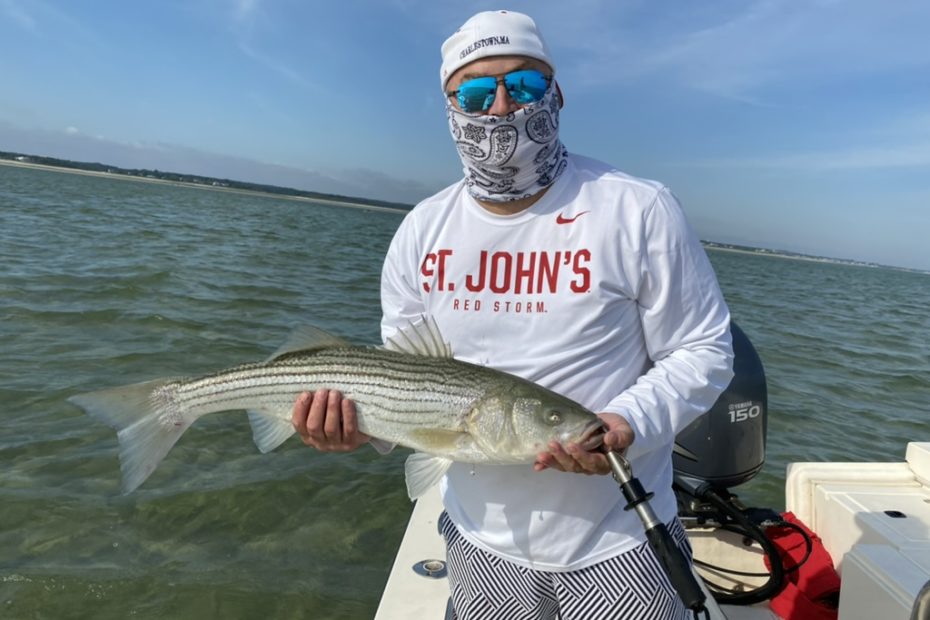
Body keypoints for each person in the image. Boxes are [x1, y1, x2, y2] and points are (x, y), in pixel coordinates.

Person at [292, 9, 734, 620]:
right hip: (480, 544)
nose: (501, 107)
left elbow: (704, 349)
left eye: (523, 84)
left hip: (620, 537)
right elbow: (404, 384)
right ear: (450, 109)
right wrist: (357, 424)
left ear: (556, 93)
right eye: (475, 92)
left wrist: (627, 419)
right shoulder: (421, 232)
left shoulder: (637, 209)